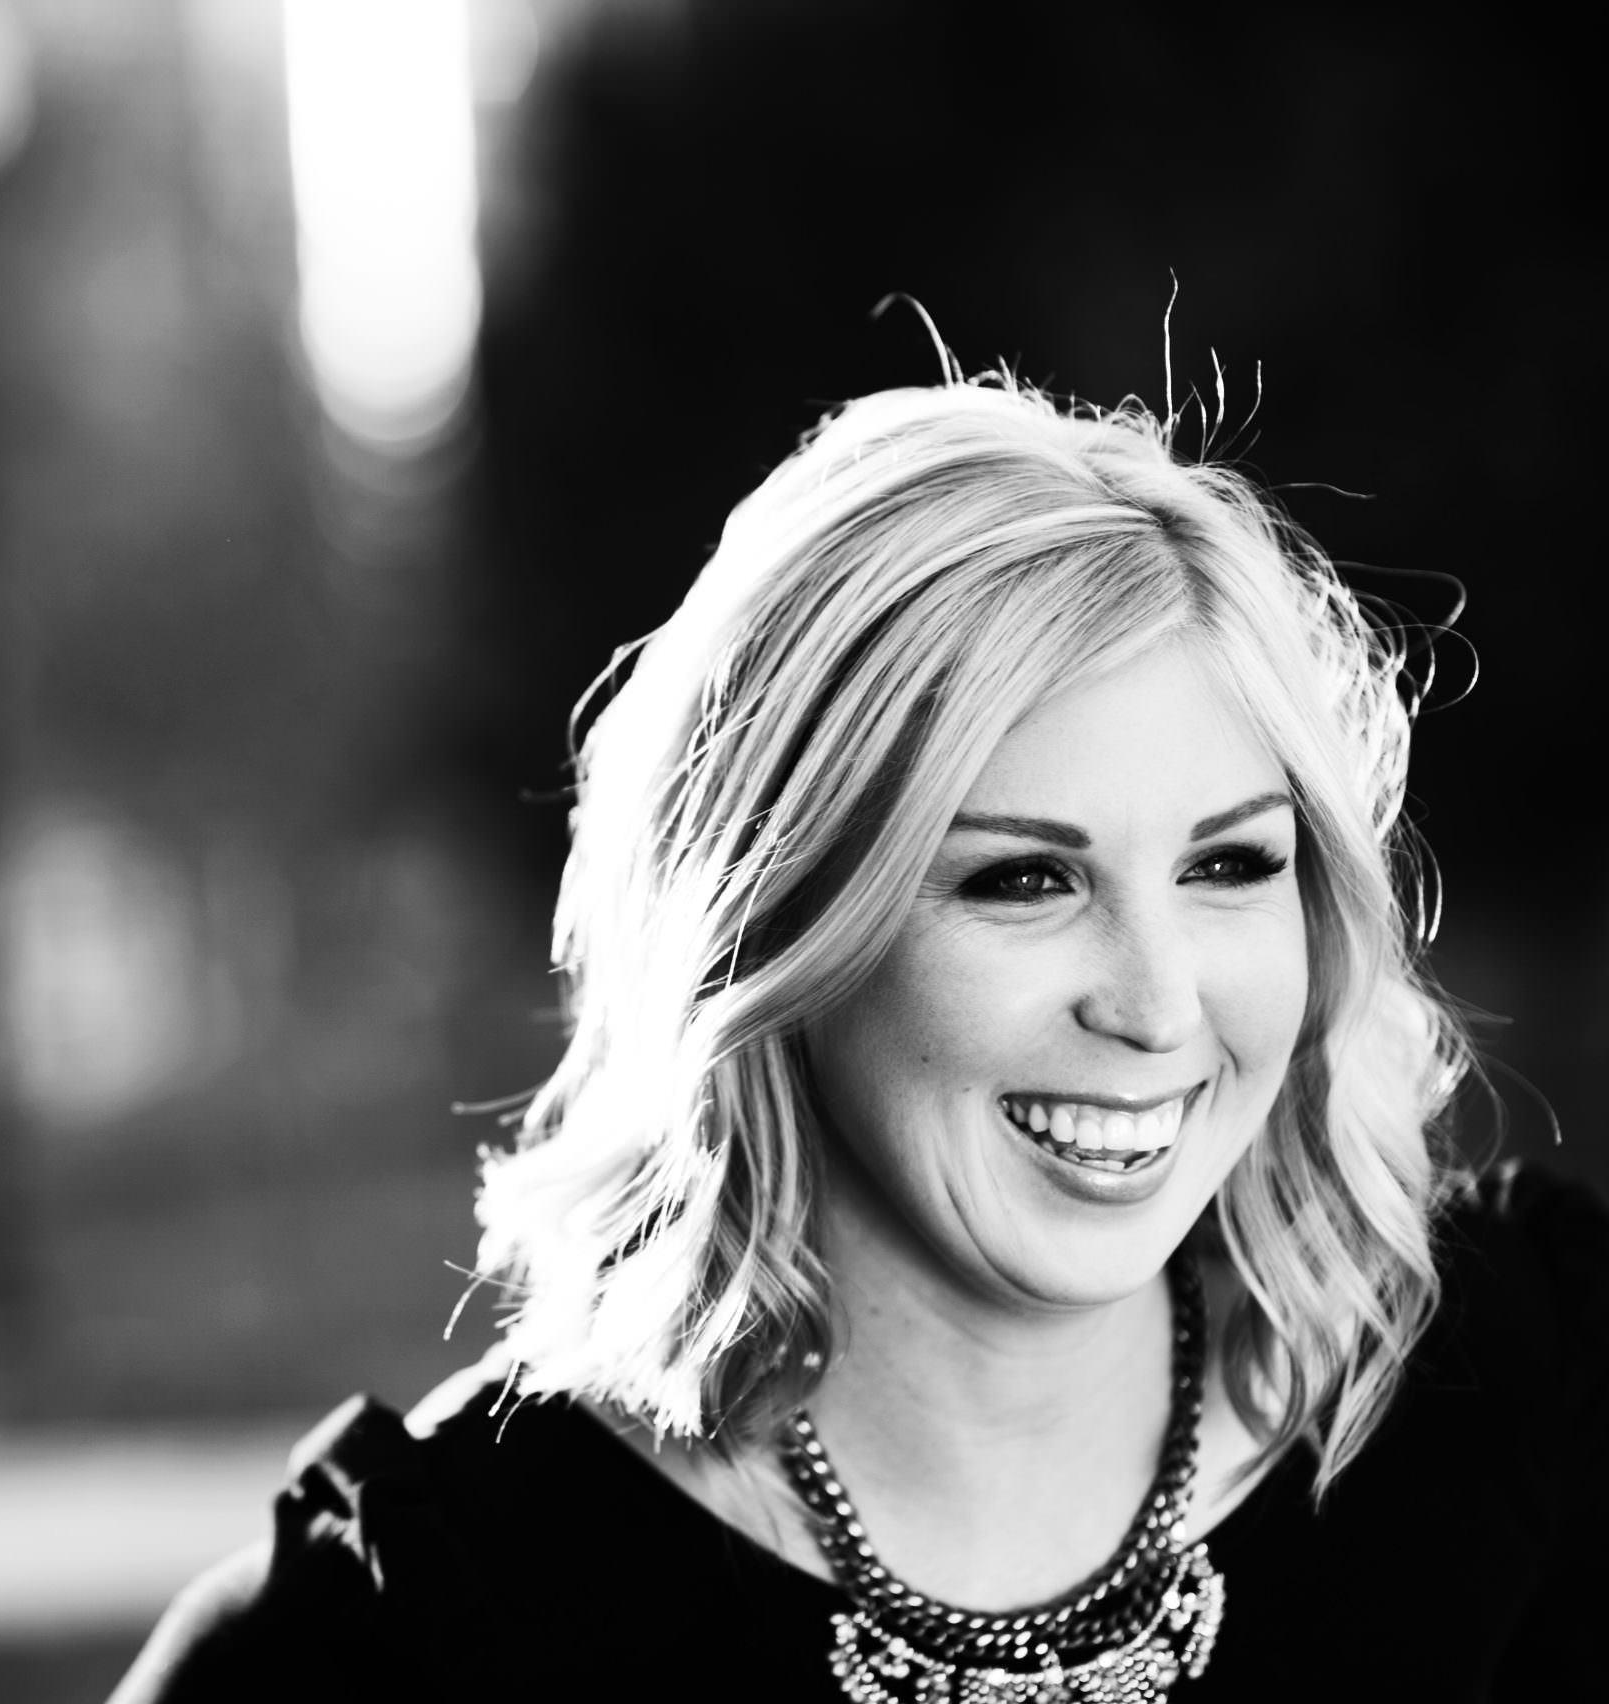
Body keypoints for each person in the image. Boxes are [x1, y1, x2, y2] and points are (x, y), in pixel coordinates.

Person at [111, 370, 1606, 1701]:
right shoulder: (412, 1630)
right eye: (1022, 879)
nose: (1158, 1006)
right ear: (772, 930)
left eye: (1230, 866)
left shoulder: (1532, 1396)